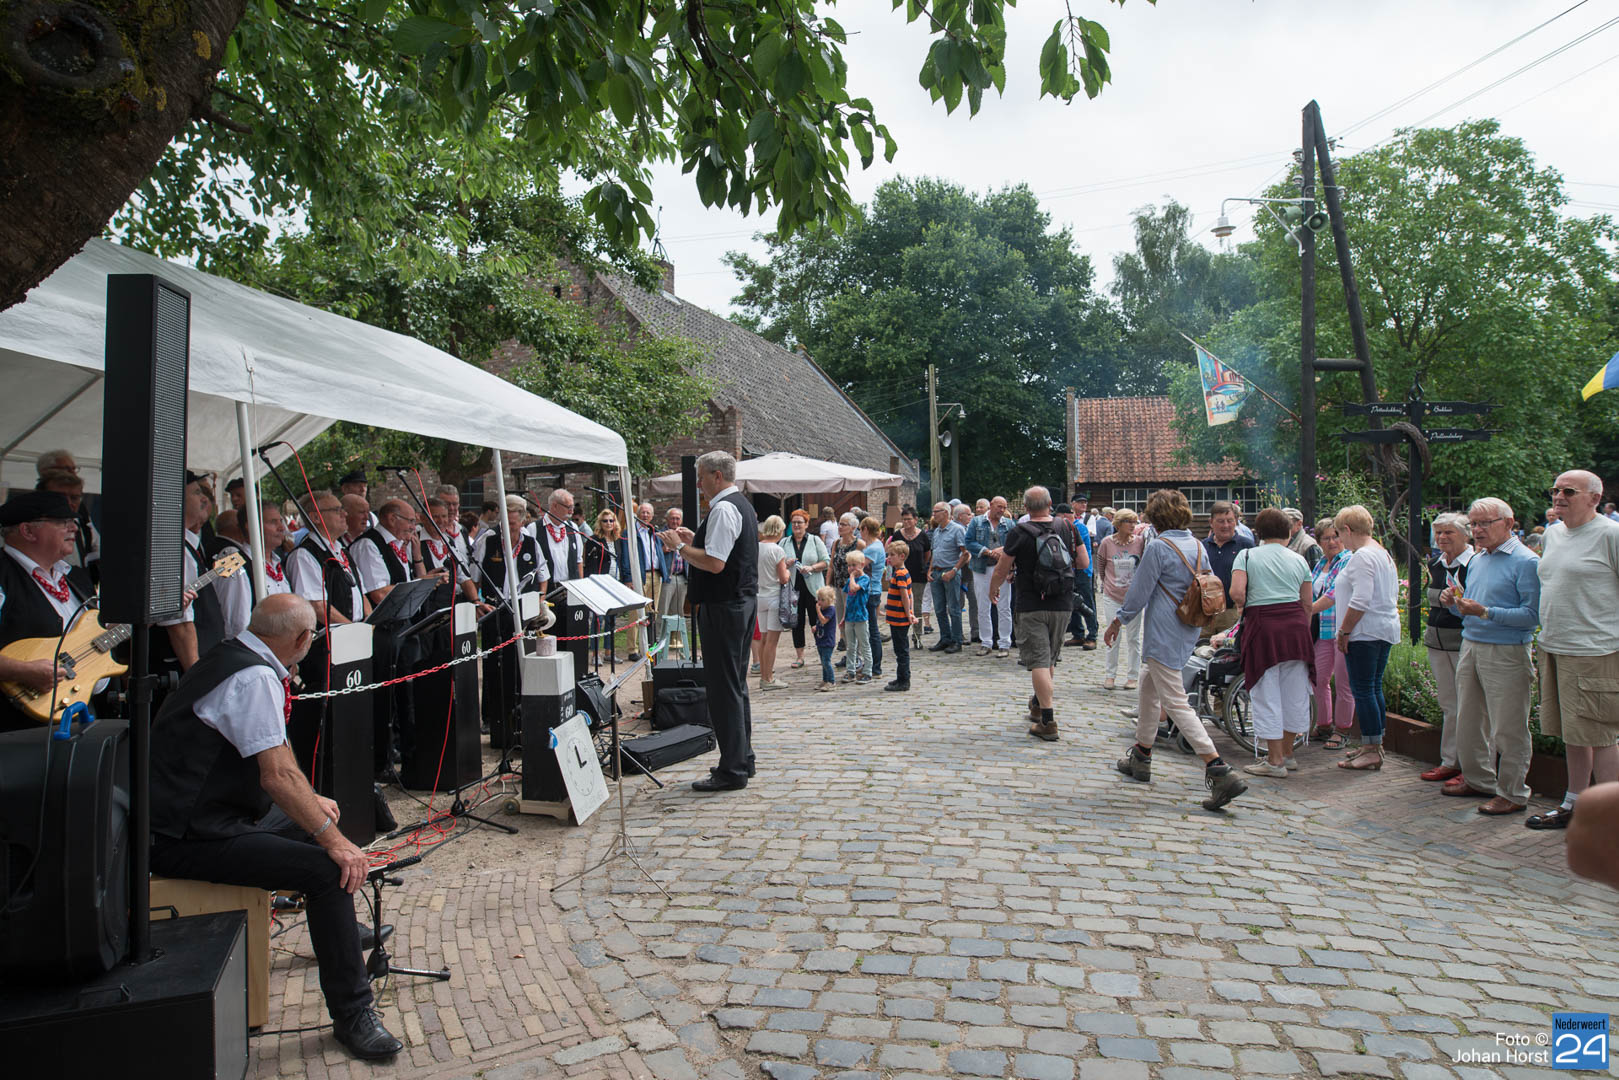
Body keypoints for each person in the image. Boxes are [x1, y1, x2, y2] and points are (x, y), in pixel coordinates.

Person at [148, 594, 401, 1061]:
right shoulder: (254, 677)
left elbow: (276, 761)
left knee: (316, 820)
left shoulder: (231, 654)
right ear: (303, 639)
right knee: (328, 869)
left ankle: (340, 932)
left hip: (204, 813)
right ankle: (353, 1013)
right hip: (187, 833)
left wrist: (315, 810)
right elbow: (278, 775)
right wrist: (337, 843)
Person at [1104, 489, 1247, 810]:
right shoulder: (1196, 544)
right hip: (1188, 626)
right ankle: (1141, 755)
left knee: (1175, 702)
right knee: (1148, 687)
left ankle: (1219, 769)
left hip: (1164, 630)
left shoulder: (1158, 546)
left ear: (1156, 516)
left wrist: (1118, 621)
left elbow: (1139, 591)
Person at [660, 451, 758, 792]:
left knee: (723, 689)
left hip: (725, 606)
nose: (699, 484)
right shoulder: (740, 504)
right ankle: (742, 758)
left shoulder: (724, 508)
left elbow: (715, 563)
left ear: (717, 476)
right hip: (740, 602)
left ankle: (732, 769)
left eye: (701, 477)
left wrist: (679, 547)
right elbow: (722, 551)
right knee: (735, 686)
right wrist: (694, 541)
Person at [1528, 471, 1619, 830]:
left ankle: (1608, 819)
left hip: (1594, 651)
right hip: (1555, 647)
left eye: (1569, 491)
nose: (1559, 496)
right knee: (1574, 734)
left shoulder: (1610, 535)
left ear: (1595, 498)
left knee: (1601, 734)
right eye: (1555, 490)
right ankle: (1574, 804)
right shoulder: (1553, 534)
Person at [1439, 497, 1541, 813]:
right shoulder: (1479, 559)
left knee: (1508, 727)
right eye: (1473, 524)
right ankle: (1479, 780)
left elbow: (1532, 616)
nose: (1477, 530)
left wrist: (1485, 611)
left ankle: (1512, 793)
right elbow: (1470, 611)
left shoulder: (1526, 561)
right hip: (1471, 644)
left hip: (1507, 650)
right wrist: (1454, 604)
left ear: (1508, 523)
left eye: (1484, 523)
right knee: (1469, 720)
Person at [1230, 508, 1315, 778]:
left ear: (1259, 532)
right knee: (1295, 693)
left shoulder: (1247, 556)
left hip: (1264, 627)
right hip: (1296, 629)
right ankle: (1288, 754)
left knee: (1266, 693)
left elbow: (1236, 591)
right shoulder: (1299, 560)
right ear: (1288, 531)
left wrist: (1244, 604)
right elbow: (1307, 602)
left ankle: (1274, 760)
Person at [0, 490, 92, 732]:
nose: (74, 528)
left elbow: (99, 630)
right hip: (17, 728)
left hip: (80, 713)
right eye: (62, 521)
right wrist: (23, 671)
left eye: (72, 521)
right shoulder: (3, 576)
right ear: (28, 531)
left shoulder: (75, 577)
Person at [993, 486, 1078, 740]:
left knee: (1039, 662)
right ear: (1050, 504)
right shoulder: (1067, 527)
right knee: (1049, 658)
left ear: (1026, 508)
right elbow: (1084, 562)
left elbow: (1002, 567)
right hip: (1062, 601)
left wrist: (993, 588)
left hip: (1031, 602)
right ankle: (1039, 704)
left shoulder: (1019, 532)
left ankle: (1048, 721)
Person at [1331, 504, 1402, 773]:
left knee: (1363, 690)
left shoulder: (1362, 556)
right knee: (1372, 688)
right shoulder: (1382, 553)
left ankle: (1372, 749)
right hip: (1382, 629)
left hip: (1364, 632)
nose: (1339, 540)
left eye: (1339, 534)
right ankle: (1374, 743)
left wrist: (1345, 631)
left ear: (1347, 530)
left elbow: (1361, 599)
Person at [1418, 512, 1474, 781]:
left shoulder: (1474, 563)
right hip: (1437, 641)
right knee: (1449, 704)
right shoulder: (1435, 564)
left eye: (1448, 532)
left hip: (1463, 641)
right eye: (1438, 532)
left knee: (1471, 706)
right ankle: (1450, 760)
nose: (1441, 537)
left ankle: (1471, 766)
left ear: (1465, 534)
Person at [154, 473, 221, 674]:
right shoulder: (171, 546)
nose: (204, 499)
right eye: (197, 493)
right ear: (176, 499)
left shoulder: (183, 543)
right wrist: (195, 675)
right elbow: (179, 625)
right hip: (178, 669)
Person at [1307, 517, 1355, 751]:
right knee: (1318, 678)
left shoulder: (1347, 560)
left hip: (1342, 628)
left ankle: (1343, 729)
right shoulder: (1320, 563)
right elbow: (1310, 591)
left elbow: (1333, 594)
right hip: (1322, 630)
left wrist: (1306, 610)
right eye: (1326, 538)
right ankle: (1323, 724)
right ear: (1319, 542)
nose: (1332, 541)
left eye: (1336, 536)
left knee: (1344, 683)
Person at [1096, 508, 1145, 691]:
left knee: (1134, 638)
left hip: (1133, 598)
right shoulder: (1107, 543)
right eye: (1128, 522)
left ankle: (1132, 676)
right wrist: (1108, 584)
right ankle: (1110, 675)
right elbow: (1101, 567)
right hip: (1112, 594)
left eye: (1134, 522)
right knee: (1113, 635)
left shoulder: (1139, 542)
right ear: (1118, 524)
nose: (1132, 525)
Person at [349, 499, 424, 607]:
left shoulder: (396, 543)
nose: (413, 527)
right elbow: (379, 594)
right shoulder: (368, 545)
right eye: (410, 521)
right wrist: (420, 585)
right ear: (392, 519)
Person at [782, 509, 830, 670]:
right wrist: (785, 564)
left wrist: (812, 567)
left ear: (806, 524)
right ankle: (800, 656)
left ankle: (822, 654)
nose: (796, 525)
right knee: (797, 623)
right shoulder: (784, 542)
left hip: (813, 589)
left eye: (799, 522)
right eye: (794, 522)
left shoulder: (815, 540)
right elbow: (777, 564)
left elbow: (826, 561)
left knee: (817, 621)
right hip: (793, 589)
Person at [965, 496, 1013, 657]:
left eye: (1004, 507)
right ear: (991, 505)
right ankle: (986, 642)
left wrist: (1003, 551)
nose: (1002, 510)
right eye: (999, 506)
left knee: (1004, 606)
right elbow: (969, 542)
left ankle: (1004, 643)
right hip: (982, 568)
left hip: (1002, 568)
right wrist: (987, 551)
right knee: (982, 606)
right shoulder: (976, 522)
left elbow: (1015, 544)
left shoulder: (1009, 524)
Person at [37, 467, 99, 585]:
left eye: (74, 498)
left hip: (76, 585)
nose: (68, 503)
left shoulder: (81, 523)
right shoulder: (28, 527)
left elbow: (97, 549)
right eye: (60, 497)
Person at [1201, 500, 1253, 637]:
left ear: (1236, 521)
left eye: (1230, 521)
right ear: (1211, 522)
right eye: (1220, 521)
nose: (1226, 525)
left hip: (1233, 613)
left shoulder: (1246, 546)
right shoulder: (1202, 547)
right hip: (1205, 614)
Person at [754, 515, 791, 692]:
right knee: (772, 641)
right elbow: (783, 578)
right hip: (774, 596)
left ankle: (763, 675)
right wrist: (788, 571)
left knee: (763, 639)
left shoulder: (756, 547)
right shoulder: (777, 550)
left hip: (759, 595)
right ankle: (768, 678)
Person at [926, 501, 968, 654]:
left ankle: (957, 640)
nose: (933, 515)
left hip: (950, 572)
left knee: (954, 608)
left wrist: (954, 571)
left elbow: (965, 553)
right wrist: (930, 570)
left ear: (945, 512)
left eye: (936, 511)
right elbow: (934, 552)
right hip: (937, 572)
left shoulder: (957, 529)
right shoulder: (937, 531)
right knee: (939, 608)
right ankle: (945, 638)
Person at [889, 507, 931, 645]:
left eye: (909, 519)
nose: (906, 522)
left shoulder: (922, 535)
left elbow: (927, 553)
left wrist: (924, 566)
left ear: (915, 520)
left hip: (918, 576)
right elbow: (892, 551)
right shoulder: (897, 535)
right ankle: (901, 634)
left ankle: (917, 636)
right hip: (900, 575)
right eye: (904, 519)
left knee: (916, 605)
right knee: (900, 603)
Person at [883, 538, 916, 692]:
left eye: (892, 555)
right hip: (896, 618)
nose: (889, 558)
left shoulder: (901, 574)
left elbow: (905, 595)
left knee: (901, 651)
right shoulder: (902, 572)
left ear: (902, 556)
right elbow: (910, 594)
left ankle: (904, 680)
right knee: (899, 650)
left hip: (899, 619)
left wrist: (909, 614)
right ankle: (901, 676)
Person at [656, 506, 690, 649]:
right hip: (667, 578)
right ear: (667, 519)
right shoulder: (661, 535)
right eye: (672, 518)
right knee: (663, 610)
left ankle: (675, 642)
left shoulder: (684, 534)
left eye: (677, 518)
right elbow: (654, 554)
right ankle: (659, 640)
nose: (675, 521)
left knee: (678, 611)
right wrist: (663, 550)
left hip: (681, 577)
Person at [829, 513, 862, 656]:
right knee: (841, 623)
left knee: (852, 622)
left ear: (853, 527)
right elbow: (831, 566)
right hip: (838, 587)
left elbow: (863, 568)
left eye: (843, 524)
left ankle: (857, 656)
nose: (840, 527)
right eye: (839, 524)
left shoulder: (859, 544)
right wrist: (827, 586)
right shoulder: (836, 543)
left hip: (852, 589)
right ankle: (849, 654)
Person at [859, 517, 888, 676]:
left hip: (870, 591)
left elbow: (858, 566)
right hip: (871, 590)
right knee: (869, 629)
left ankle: (875, 666)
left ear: (865, 529)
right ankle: (870, 664)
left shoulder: (873, 548)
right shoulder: (875, 545)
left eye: (860, 529)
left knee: (871, 630)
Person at [841, 550, 873, 683]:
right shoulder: (850, 580)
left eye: (854, 565)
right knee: (850, 646)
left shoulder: (864, 579)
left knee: (864, 645)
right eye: (849, 565)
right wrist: (844, 616)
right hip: (850, 617)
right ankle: (851, 671)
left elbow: (854, 588)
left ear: (862, 565)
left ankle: (868, 671)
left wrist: (852, 577)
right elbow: (847, 599)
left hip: (860, 617)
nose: (851, 568)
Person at [955, 503, 979, 641]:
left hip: (971, 572)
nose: (971, 516)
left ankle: (976, 632)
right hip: (959, 571)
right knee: (958, 604)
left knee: (974, 602)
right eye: (968, 514)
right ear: (960, 516)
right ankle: (958, 633)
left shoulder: (970, 529)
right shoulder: (956, 530)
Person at [813, 585, 839, 691]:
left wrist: (818, 611)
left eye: (822, 600)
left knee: (826, 661)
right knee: (823, 662)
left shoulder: (830, 609)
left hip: (828, 640)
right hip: (820, 639)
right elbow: (820, 623)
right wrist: (816, 627)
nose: (819, 602)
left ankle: (831, 681)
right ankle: (825, 680)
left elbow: (824, 620)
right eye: (818, 599)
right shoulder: (823, 609)